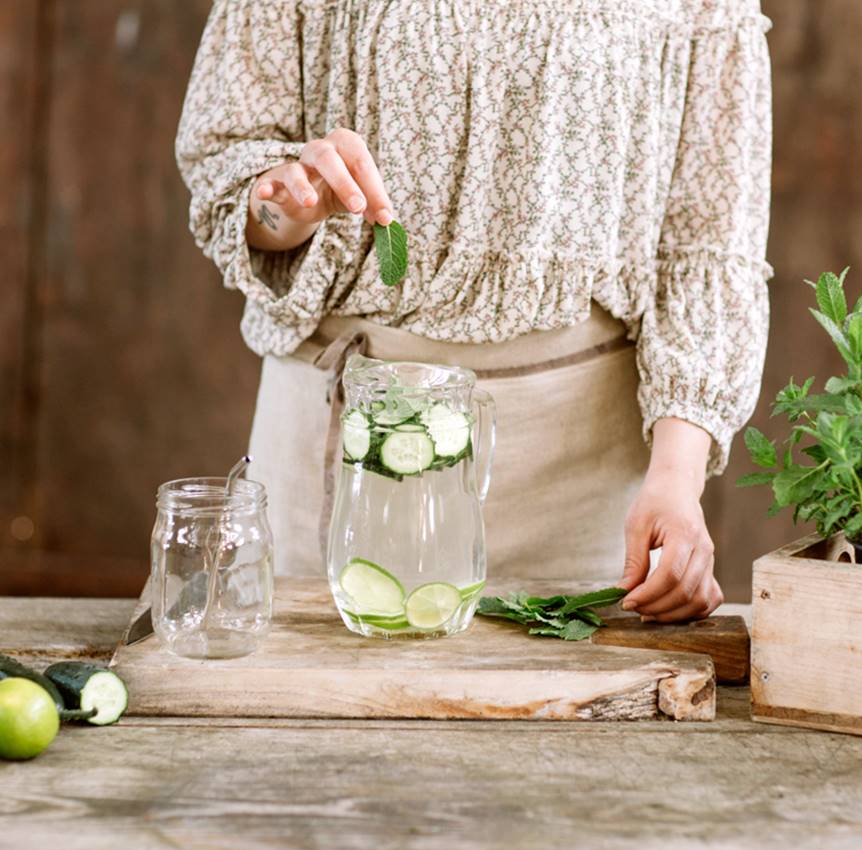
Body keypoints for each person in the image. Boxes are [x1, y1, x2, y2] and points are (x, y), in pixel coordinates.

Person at [176, 0, 772, 623]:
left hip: (578, 474)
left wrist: (677, 479)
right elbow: (234, 180)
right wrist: (288, 205)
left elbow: (709, 246)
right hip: (345, 442)